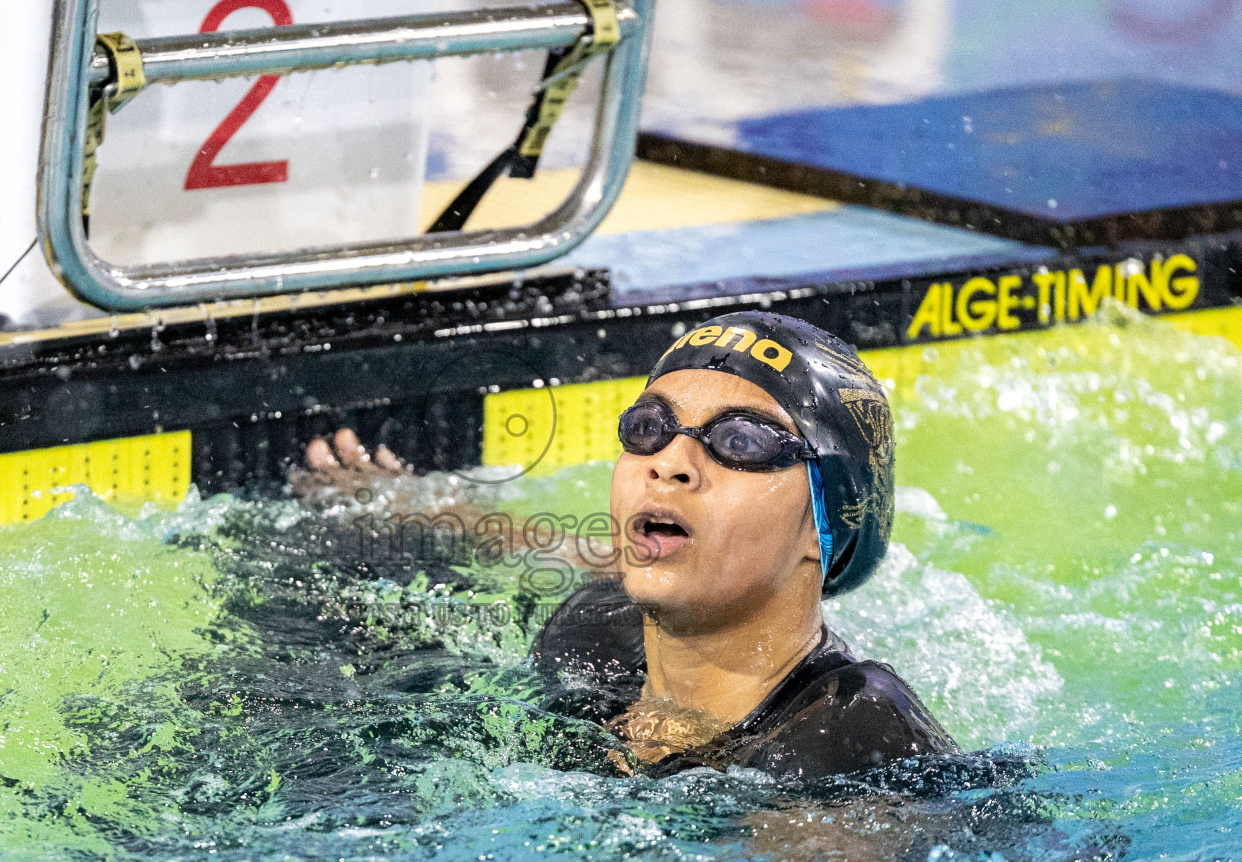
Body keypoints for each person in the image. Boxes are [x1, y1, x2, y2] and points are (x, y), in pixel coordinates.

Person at [300, 311, 957, 782]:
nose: (669, 462)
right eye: (650, 427)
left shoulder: (852, 731)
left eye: (742, 442)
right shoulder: (599, 629)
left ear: (823, 524)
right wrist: (428, 514)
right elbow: (578, 553)